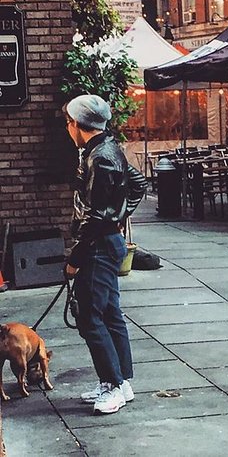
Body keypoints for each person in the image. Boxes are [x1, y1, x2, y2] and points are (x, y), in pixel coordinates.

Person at [63, 94, 147, 415]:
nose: (67, 128)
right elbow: (137, 185)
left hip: (98, 245)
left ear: (77, 125)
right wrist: (119, 213)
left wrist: (75, 258)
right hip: (107, 242)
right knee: (110, 313)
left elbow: (95, 216)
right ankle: (120, 381)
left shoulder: (101, 157)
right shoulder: (107, 150)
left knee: (90, 317)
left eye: (69, 123)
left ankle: (112, 385)